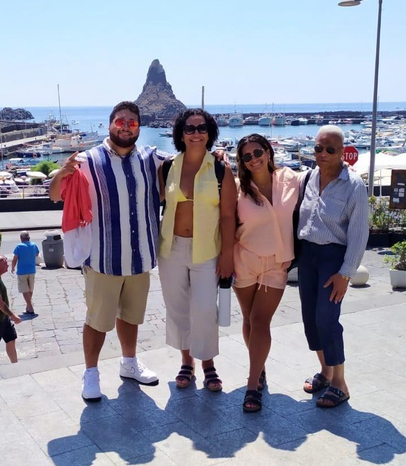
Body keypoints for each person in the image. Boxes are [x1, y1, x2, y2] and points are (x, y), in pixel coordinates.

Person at [49, 101, 168, 402]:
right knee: (97, 320)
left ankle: (129, 363)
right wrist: (60, 174)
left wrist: (217, 156)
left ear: (139, 128)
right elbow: (53, 195)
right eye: (120, 121)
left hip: (140, 255)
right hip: (102, 258)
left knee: (131, 316)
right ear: (109, 124)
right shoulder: (88, 160)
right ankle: (91, 373)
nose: (126, 126)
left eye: (132, 122)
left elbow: (186, 162)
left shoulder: (150, 158)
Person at [158, 109, 237, 392]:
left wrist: (227, 254)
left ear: (210, 133)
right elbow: (160, 204)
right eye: (189, 129)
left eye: (201, 128)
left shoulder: (220, 169)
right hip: (171, 247)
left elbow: (228, 215)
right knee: (178, 308)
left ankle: (208, 364)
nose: (195, 133)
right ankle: (186, 362)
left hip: (207, 249)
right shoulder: (167, 167)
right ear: (181, 134)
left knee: (204, 310)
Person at [297, 125, 369, 408]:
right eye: (318, 148)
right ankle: (326, 373)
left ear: (342, 153)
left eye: (330, 149)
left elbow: (359, 233)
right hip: (307, 256)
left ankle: (340, 383)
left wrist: (346, 273)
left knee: (327, 320)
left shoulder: (353, 185)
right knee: (310, 320)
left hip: (332, 260)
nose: (323, 153)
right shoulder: (309, 178)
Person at [233, 134, 302, 412]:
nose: (254, 159)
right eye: (247, 156)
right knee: (249, 319)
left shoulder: (290, 180)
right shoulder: (238, 188)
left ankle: (252, 385)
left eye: (257, 152)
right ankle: (258, 369)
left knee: (261, 321)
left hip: (277, 263)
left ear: (268, 151)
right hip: (245, 259)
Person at [11, 230, 40, 314]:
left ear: (21, 238)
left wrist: (13, 266)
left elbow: (15, 258)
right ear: (29, 238)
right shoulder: (34, 245)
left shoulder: (19, 246)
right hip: (31, 270)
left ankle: (30, 307)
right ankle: (28, 307)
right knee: (30, 289)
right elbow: (37, 254)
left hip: (22, 271)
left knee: (24, 290)